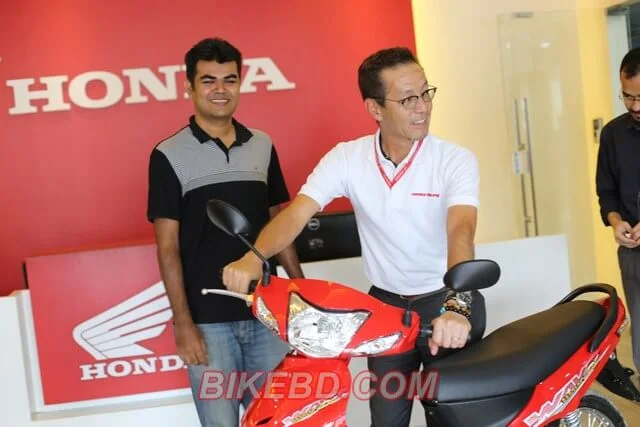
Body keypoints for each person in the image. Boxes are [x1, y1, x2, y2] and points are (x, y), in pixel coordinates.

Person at [222, 47, 486, 427]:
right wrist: (253, 258)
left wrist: (457, 307)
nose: (422, 107)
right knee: (387, 419)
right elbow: (296, 215)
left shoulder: (454, 160)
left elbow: (461, 231)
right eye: (408, 99)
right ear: (374, 108)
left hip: (445, 300)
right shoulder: (347, 158)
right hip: (387, 307)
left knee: (451, 416)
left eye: (426, 93)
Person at [146, 37, 304, 427]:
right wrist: (183, 323)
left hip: (266, 312)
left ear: (240, 83)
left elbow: (280, 224)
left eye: (229, 80)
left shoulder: (262, 145)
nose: (221, 90)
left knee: (277, 420)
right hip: (207, 323)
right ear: (189, 86)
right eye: (208, 80)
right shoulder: (168, 155)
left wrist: (301, 292)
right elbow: (167, 248)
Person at [596, 47, 640, 379]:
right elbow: (606, 190)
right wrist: (615, 222)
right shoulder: (613, 134)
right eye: (628, 97)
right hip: (633, 253)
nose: (635, 107)